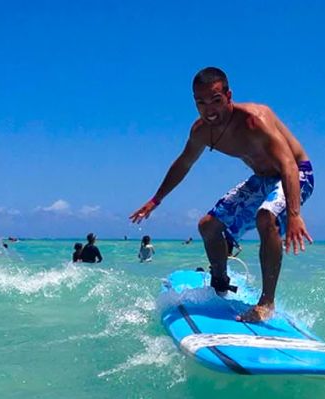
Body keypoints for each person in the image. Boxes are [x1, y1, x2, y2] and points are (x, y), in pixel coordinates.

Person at [130, 67, 315, 322]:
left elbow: (288, 165)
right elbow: (184, 163)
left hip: (296, 175)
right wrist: (155, 200)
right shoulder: (201, 132)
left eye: (216, 100)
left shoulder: (255, 121)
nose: (209, 109)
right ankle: (220, 284)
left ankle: (266, 303)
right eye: (201, 103)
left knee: (265, 217)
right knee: (208, 226)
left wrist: (294, 214)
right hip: (261, 180)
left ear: (229, 96)